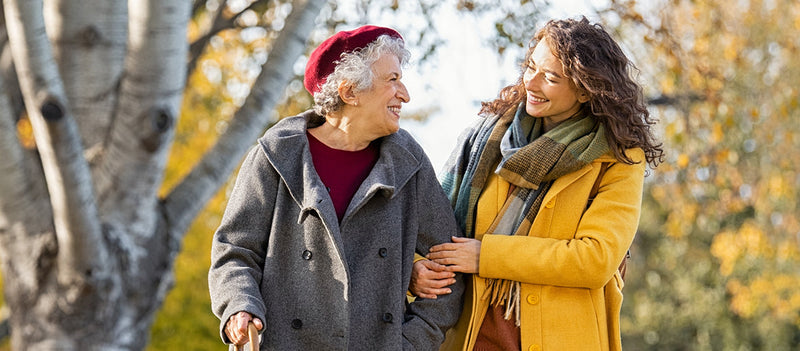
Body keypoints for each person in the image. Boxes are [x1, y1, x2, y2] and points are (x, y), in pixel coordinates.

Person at [409, 17, 664, 351]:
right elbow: (430, 227)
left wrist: (487, 256)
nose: (532, 82)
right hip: (469, 335)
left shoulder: (617, 158)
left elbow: (595, 259)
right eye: (530, 67)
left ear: (586, 90)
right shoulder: (485, 139)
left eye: (551, 78)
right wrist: (416, 271)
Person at [208, 25, 464, 350]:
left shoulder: (407, 162)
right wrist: (239, 307)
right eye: (392, 80)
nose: (405, 94)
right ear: (349, 92)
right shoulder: (275, 156)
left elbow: (451, 263)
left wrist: (410, 343)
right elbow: (235, 252)